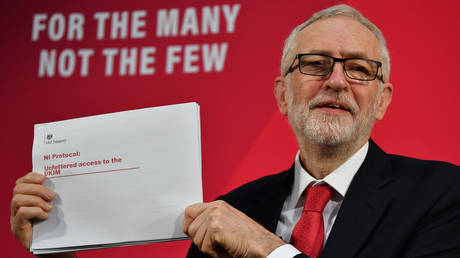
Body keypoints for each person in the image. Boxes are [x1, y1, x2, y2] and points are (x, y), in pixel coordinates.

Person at [10, 4, 460, 258]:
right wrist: (59, 242)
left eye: (360, 69)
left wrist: (269, 251)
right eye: (316, 64)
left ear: (382, 101)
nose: (337, 81)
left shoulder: (444, 196)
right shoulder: (233, 210)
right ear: (283, 95)